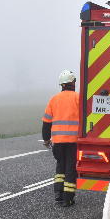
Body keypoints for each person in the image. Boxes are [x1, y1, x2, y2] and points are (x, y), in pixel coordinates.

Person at [42, 70, 80, 207]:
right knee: (70, 168)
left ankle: (58, 195)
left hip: (57, 142)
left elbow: (46, 122)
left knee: (60, 167)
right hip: (73, 142)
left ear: (62, 84)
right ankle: (68, 198)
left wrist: (46, 139)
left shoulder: (54, 99)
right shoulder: (78, 98)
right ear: (72, 83)